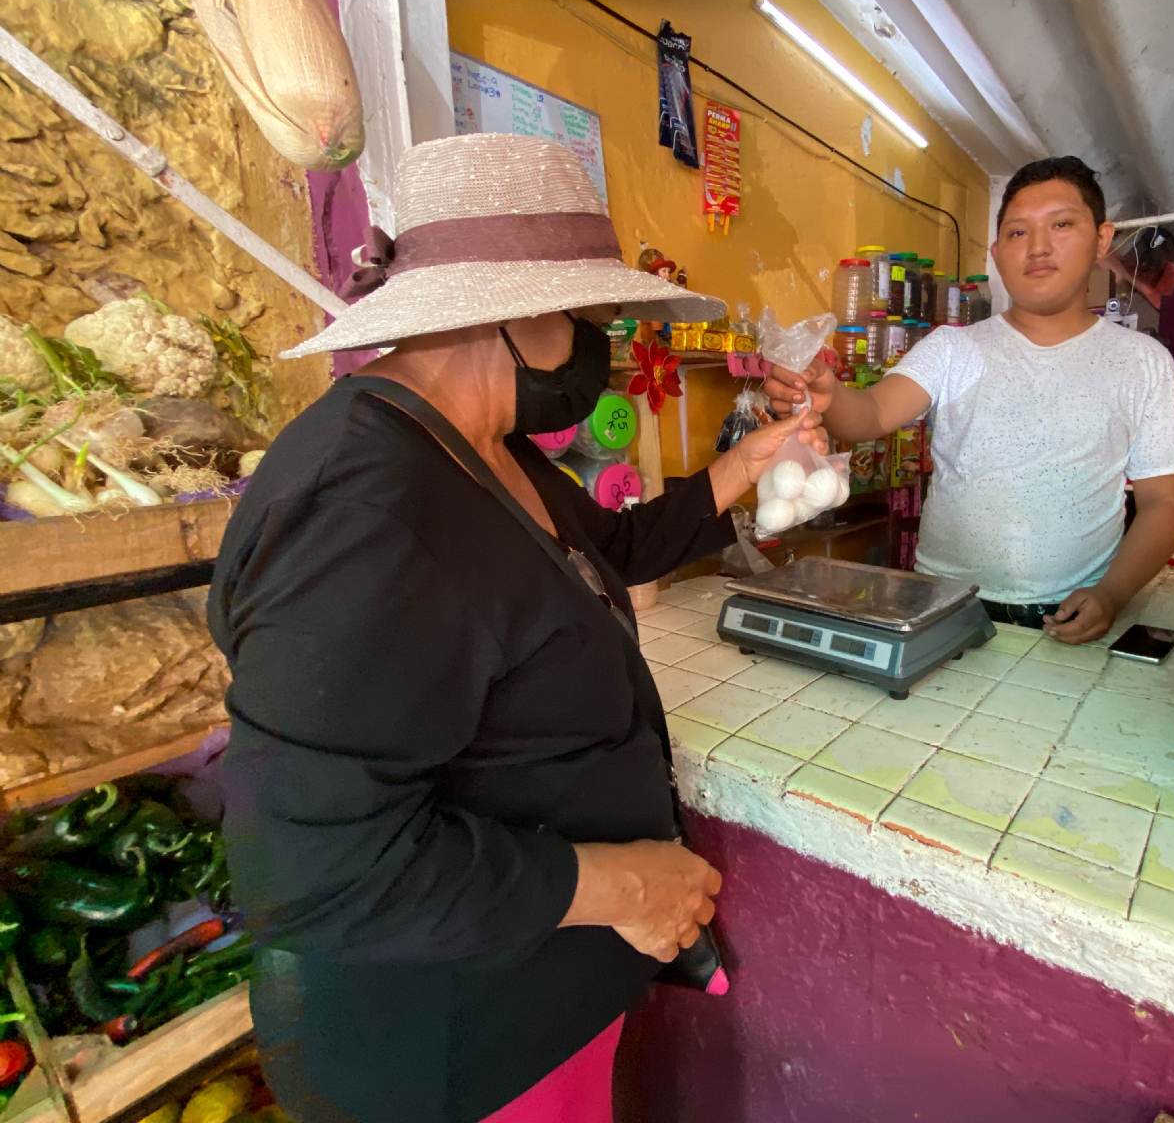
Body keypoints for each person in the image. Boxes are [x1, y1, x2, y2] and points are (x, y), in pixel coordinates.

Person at [209, 134, 825, 1123]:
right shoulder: (362, 512)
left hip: (534, 1004)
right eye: (588, 315)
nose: (601, 342)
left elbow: (602, 553)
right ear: (504, 311)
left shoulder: (480, 448)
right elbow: (316, 869)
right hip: (450, 1056)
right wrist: (625, 886)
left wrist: (753, 459)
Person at [766, 157, 1174, 643]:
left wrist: (1113, 594)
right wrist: (830, 394)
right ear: (996, 251)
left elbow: (1164, 502)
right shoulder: (953, 349)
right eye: (1017, 233)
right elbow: (872, 413)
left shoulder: (1142, 362)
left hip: (1074, 615)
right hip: (946, 607)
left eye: (1062, 224)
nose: (1038, 247)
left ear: (1101, 239)